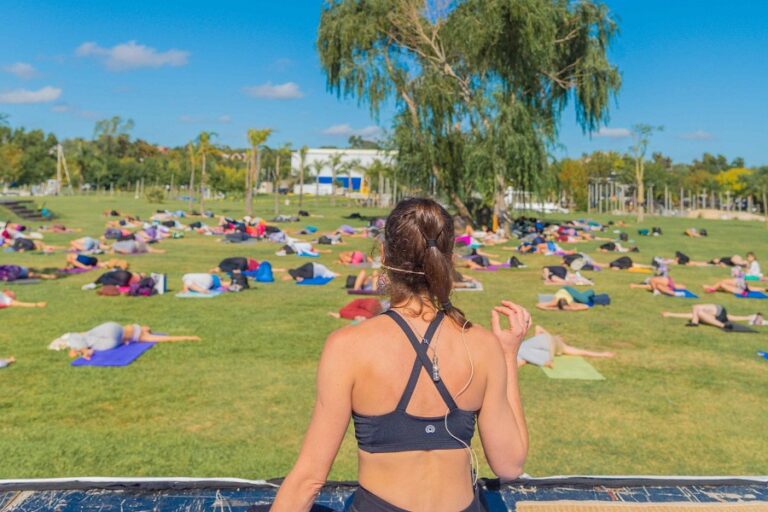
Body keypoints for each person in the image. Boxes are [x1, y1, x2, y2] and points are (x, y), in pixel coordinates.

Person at [272, 198, 528, 512]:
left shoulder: (348, 347)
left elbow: (308, 480)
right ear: (448, 259)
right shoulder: (482, 345)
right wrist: (507, 354)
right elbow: (510, 465)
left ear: (383, 255)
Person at [52, 322, 201, 360]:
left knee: (82, 336)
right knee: (86, 336)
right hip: (112, 337)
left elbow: (166, 338)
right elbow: (166, 338)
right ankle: (82, 349)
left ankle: (81, 349)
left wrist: (188, 337)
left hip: (112, 331)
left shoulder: (141, 334)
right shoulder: (141, 334)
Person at [517, 326, 614, 367]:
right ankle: (545, 362)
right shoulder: (564, 347)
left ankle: (545, 362)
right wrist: (602, 354)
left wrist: (545, 334)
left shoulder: (547, 339)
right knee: (522, 351)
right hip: (545, 346)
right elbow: (583, 352)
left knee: (521, 351)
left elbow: (538, 327)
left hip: (545, 346)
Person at [661, 305, 764, 329]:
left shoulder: (698, 310)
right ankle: (752, 317)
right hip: (719, 312)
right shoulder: (698, 311)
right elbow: (689, 315)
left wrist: (670, 314)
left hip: (718, 312)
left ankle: (722, 325)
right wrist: (670, 314)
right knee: (729, 317)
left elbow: (690, 314)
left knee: (698, 311)